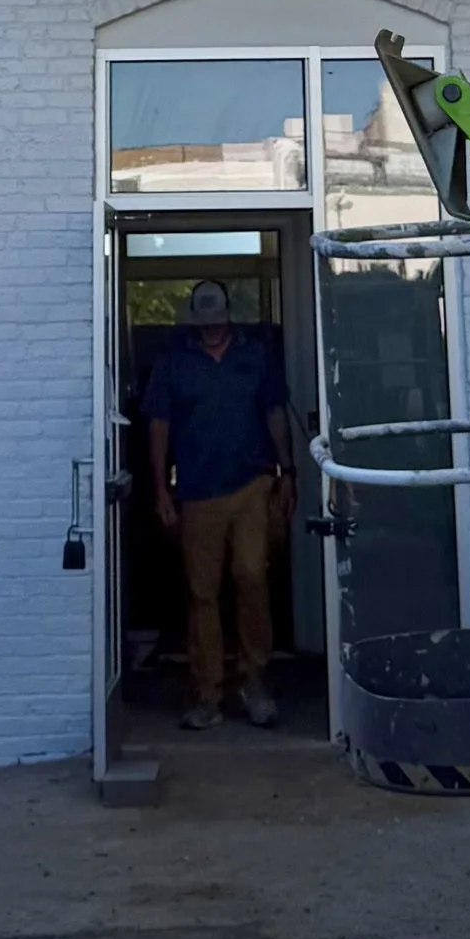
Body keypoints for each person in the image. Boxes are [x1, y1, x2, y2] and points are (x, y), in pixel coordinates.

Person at [140, 278, 296, 730]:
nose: (209, 330)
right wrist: (161, 491)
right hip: (196, 491)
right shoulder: (174, 359)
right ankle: (208, 693)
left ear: (228, 317)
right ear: (194, 320)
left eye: (216, 321)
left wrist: (288, 472)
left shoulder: (255, 354)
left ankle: (254, 682)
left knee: (251, 578)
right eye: (202, 322)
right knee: (202, 593)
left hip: (252, 484)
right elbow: (158, 427)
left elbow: (274, 412)